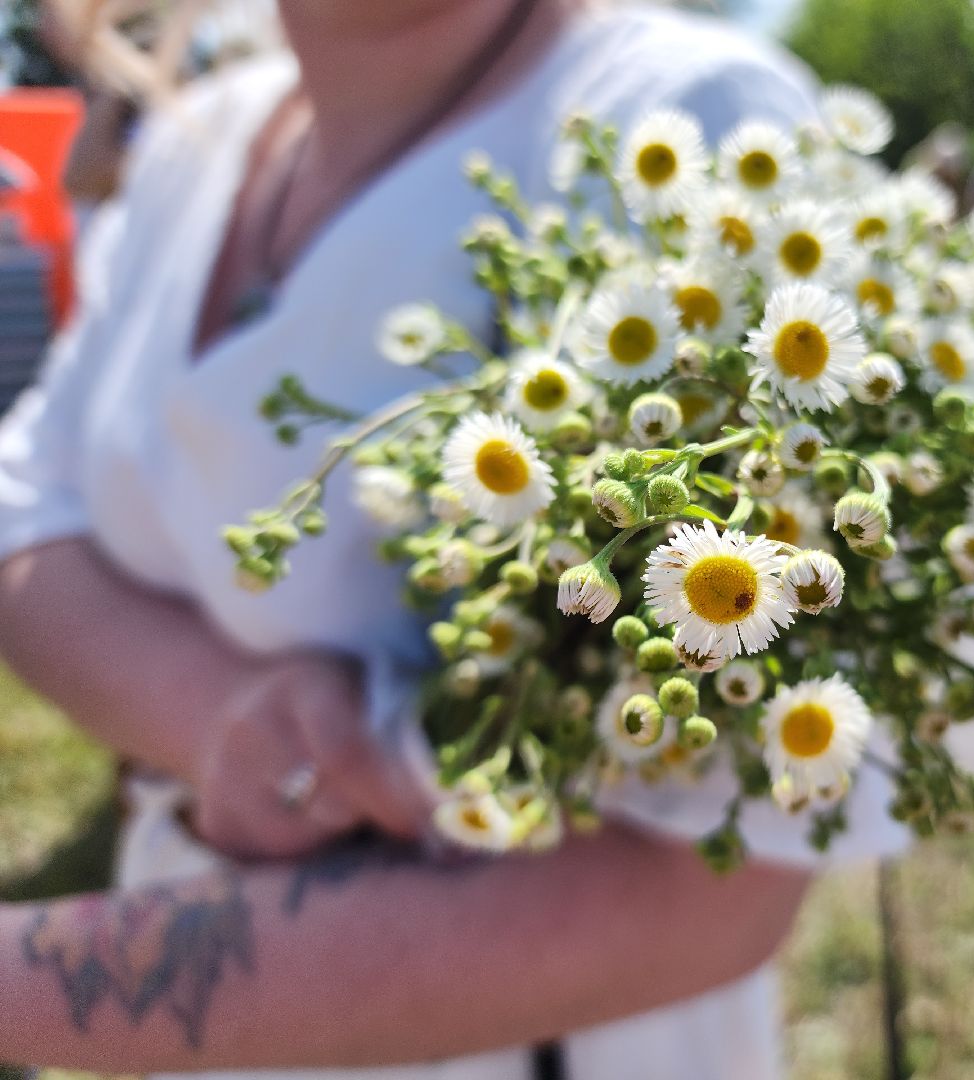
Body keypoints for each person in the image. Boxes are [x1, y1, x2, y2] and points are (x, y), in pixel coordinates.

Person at [0, 1, 906, 1077]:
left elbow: (705, 885)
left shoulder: (683, 122)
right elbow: (29, 507)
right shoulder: (196, 143)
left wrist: (36, 993)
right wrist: (230, 722)